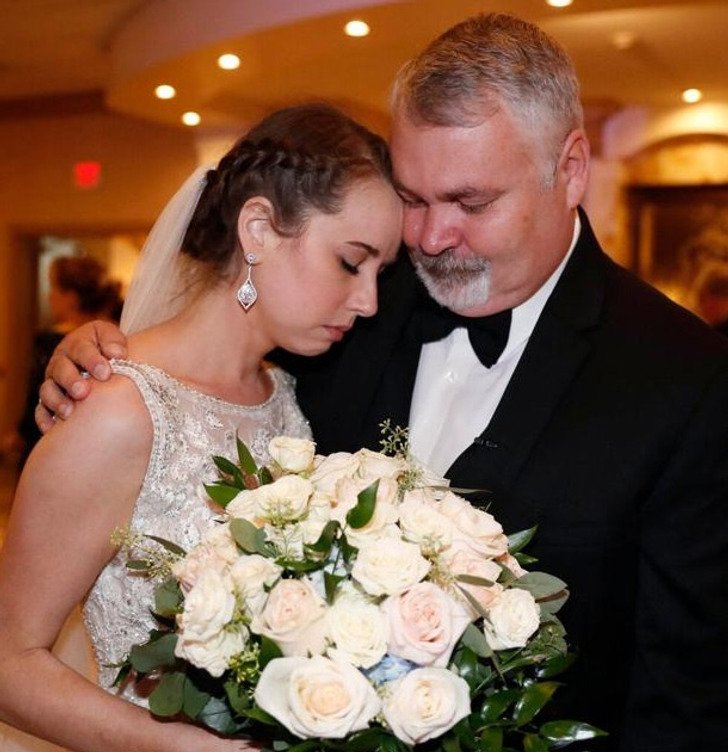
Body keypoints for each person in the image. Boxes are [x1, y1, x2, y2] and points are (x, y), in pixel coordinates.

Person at [34, 13, 728, 752]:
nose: (430, 238)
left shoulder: (684, 379)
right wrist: (102, 354)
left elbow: (686, 700)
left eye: (471, 203)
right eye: (414, 199)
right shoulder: (349, 299)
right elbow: (208, 370)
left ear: (571, 169)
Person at [0, 103, 402, 752]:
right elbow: (8, 661)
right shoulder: (119, 410)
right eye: (350, 263)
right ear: (258, 230)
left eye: (381, 273)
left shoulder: (288, 398)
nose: (368, 301)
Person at [9, 256, 123, 467]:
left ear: (71, 297)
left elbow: (37, 396)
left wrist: (21, 433)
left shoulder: (52, 341)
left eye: (54, 288)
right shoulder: (121, 336)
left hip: (51, 441)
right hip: (106, 450)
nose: (50, 296)